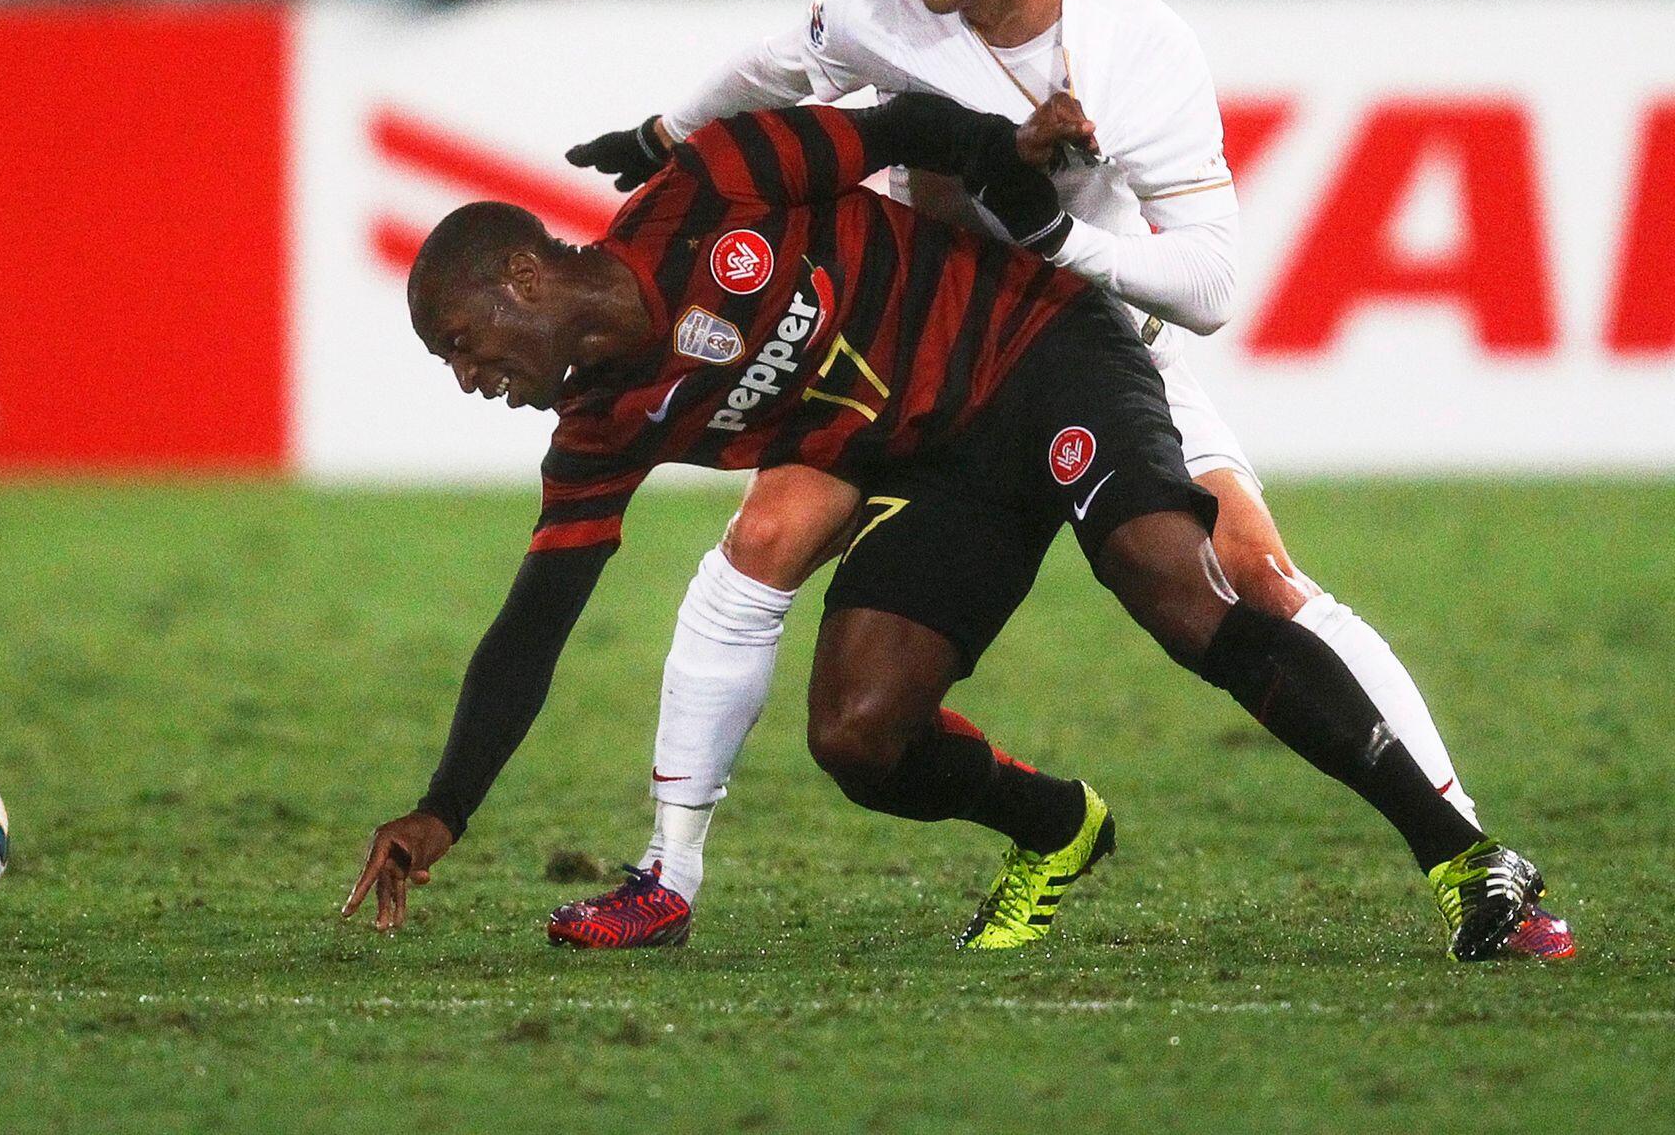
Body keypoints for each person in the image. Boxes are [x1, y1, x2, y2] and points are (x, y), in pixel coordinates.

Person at [556, 0, 1573, 958]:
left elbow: (1207, 284)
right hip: (904, 355)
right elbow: (776, 67)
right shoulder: (876, 5)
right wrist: (665, 134)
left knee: (1246, 569)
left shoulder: (1134, 48)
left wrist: (1059, 238)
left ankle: (1469, 855)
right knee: (772, 548)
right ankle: (667, 875)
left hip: (1081, 343)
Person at [342, 91, 1547, 962]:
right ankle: (1056, 825)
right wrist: (443, 806)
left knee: (1175, 583)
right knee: (856, 735)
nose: (469, 378)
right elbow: (532, 626)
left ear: (522, 276)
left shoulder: (714, 186)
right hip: (944, 461)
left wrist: (1011, 168)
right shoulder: (598, 427)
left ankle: (1462, 855)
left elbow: (902, 128)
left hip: (1039, 346)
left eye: (462, 344)